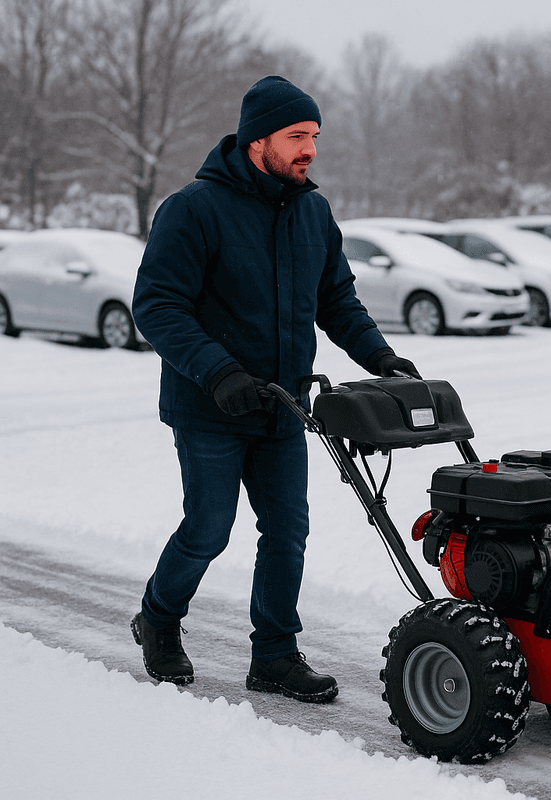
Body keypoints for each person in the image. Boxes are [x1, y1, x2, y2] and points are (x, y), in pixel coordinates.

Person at [130, 75, 418, 702]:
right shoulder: (194, 209)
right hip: (210, 403)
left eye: (314, 136)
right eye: (296, 137)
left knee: (287, 529)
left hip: (284, 404)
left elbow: (336, 300)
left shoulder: (311, 210)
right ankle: (157, 617)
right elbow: (157, 306)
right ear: (258, 139)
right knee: (209, 527)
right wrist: (220, 371)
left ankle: (275, 655)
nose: (309, 149)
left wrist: (382, 357)